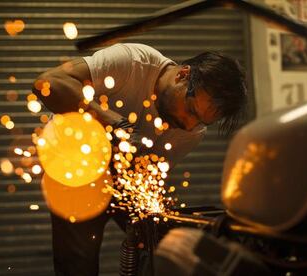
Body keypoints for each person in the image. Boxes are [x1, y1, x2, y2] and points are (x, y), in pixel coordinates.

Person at [32, 43, 247, 275]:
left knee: (161, 239)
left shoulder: (191, 132)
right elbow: (47, 83)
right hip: (75, 164)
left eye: (202, 122)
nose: (190, 124)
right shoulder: (131, 64)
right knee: (78, 262)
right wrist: (113, 123)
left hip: (125, 177)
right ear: (183, 75)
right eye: (192, 110)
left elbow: (148, 176)